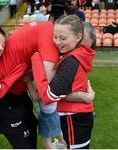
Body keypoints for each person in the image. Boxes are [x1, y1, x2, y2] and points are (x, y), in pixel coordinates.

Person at [0, 2, 95, 149]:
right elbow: (51, 89)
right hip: (4, 94)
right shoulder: (50, 37)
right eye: (58, 37)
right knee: (28, 141)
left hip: (14, 92)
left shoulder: (54, 39)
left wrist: (35, 64)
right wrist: (84, 97)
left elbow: (50, 91)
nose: (78, 51)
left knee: (33, 132)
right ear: (76, 37)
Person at [31, 15, 96, 149]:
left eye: (63, 38)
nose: (57, 42)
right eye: (55, 37)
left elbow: (49, 96)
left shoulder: (71, 61)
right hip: (72, 115)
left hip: (73, 117)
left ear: (78, 37)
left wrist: (36, 60)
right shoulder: (73, 54)